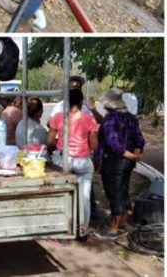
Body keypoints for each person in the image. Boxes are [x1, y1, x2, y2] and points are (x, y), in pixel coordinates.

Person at [94, 88, 145, 239]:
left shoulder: (110, 119)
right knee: (123, 189)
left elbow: (112, 143)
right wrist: (136, 154)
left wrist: (129, 155)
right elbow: (140, 139)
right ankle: (122, 223)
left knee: (114, 192)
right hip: (127, 162)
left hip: (114, 161)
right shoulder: (130, 117)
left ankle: (113, 229)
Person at [48, 88, 98, 238]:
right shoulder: (89, 119)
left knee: (60, 195)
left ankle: (60, 230)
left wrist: (59, 145)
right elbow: (94, 144)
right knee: (85, 197)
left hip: (63, 160)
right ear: (81, 102)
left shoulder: (58, 117)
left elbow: (50, 140)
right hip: (82, 161)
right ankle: (82, 231)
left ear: (67, 102)